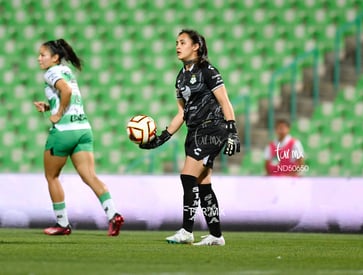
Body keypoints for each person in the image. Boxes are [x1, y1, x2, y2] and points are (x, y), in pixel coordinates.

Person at [140, 29, 240, 246]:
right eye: (176, 42)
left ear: (195, 46)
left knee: (187, 176)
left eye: (182, 42)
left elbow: (225, 102)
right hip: (194, 131)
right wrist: (161, 138)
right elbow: (181, 114)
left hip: (211, 129)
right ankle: (216, 235)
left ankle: (187, 230)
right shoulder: (180, 76)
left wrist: (232, 132)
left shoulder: (208, 71)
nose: (177, 46)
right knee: (203, 183)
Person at [34, 39, 124, 236]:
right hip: (83, 128)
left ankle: (62, 224)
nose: (39, 58)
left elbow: (65, 91)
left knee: (52, 176)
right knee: (89, 176)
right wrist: (49, 106)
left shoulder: (51, 72)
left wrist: (57, 115)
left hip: (64, 132)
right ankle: (113, 214)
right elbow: (70, 95)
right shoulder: (67, 71)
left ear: (55, 57)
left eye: (43, 55)